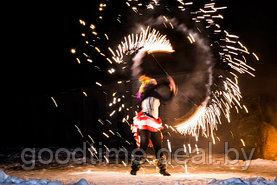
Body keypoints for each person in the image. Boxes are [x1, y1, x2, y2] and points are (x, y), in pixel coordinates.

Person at [130, 75, 178, 176]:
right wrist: (171, 86)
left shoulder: (148, 93)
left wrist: (169, 85)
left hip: (154, 123)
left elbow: (165, 99)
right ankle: (134, 168)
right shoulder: (147, 93)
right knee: (144, 145)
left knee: (157, 147)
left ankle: (162, 169)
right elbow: (166, 99)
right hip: (145, 122)